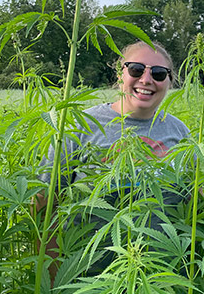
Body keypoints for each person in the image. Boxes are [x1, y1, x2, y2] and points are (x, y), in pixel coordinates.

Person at [36, 40, 190, 279]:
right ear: (120, 74)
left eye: (159, 73)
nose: (146, 80)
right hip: (86, 277)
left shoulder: (180, 132)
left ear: (169, 81)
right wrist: (53, 276)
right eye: (136, 69)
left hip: (158, 278)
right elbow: (44, 204)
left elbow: (192, 204)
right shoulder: (81, 124)